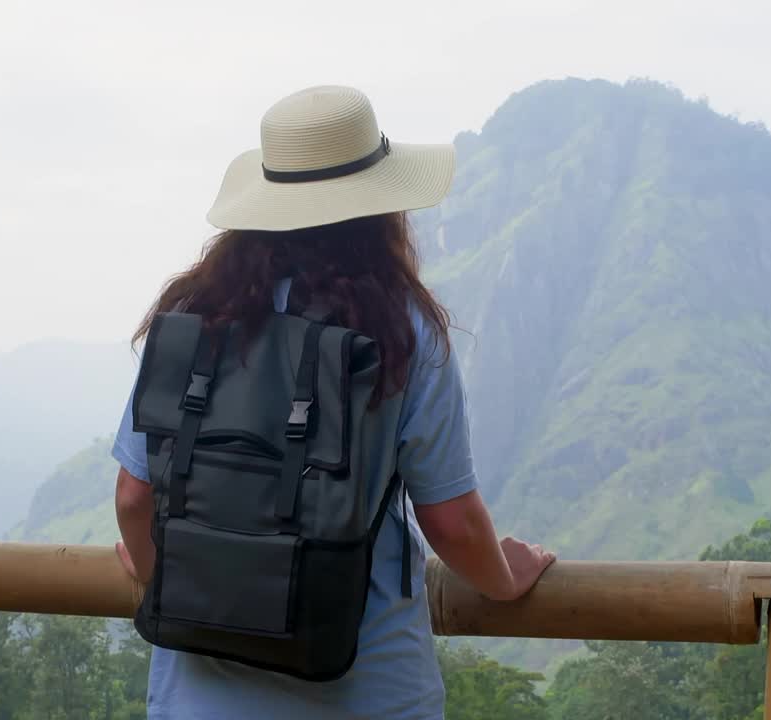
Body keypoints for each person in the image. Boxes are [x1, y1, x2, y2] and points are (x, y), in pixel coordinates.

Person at [111, 85, 556, 720]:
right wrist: (505, 579)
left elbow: (134, 496)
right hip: (367, 690)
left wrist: (165, 580)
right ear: (381, 209)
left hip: (202, 697)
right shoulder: (403, 329)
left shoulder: (194, 316)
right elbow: (452, 520)